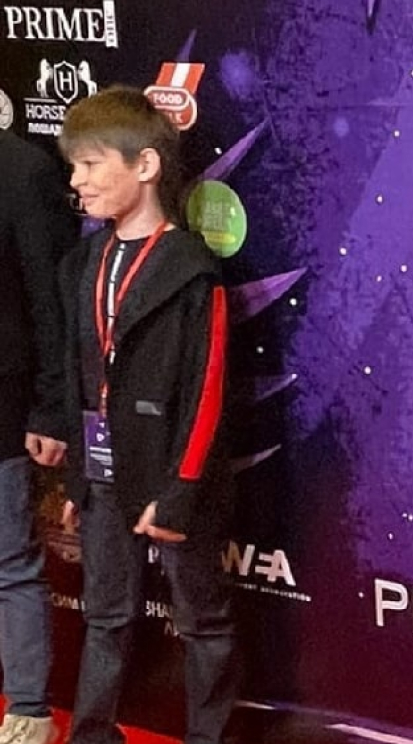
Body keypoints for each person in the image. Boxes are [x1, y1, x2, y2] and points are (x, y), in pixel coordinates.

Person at [53, 87, 240, 744]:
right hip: (104, 476)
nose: (77, 181)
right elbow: (80, 379)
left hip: (174, 480)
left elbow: (207, 393)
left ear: (146, 166)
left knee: (202, 621)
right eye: (73, 167)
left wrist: (180, 492)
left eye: (91, 164)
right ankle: (92, 734)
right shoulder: (84, 264)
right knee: (105, 615)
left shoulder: (192, 271)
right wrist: (79, 476)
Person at [0, 128, 78, 744]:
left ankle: (29, 711)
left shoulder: (22, 169)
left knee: (10, 563)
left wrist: (52, 409)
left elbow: (52, 300)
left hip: (4, 401)